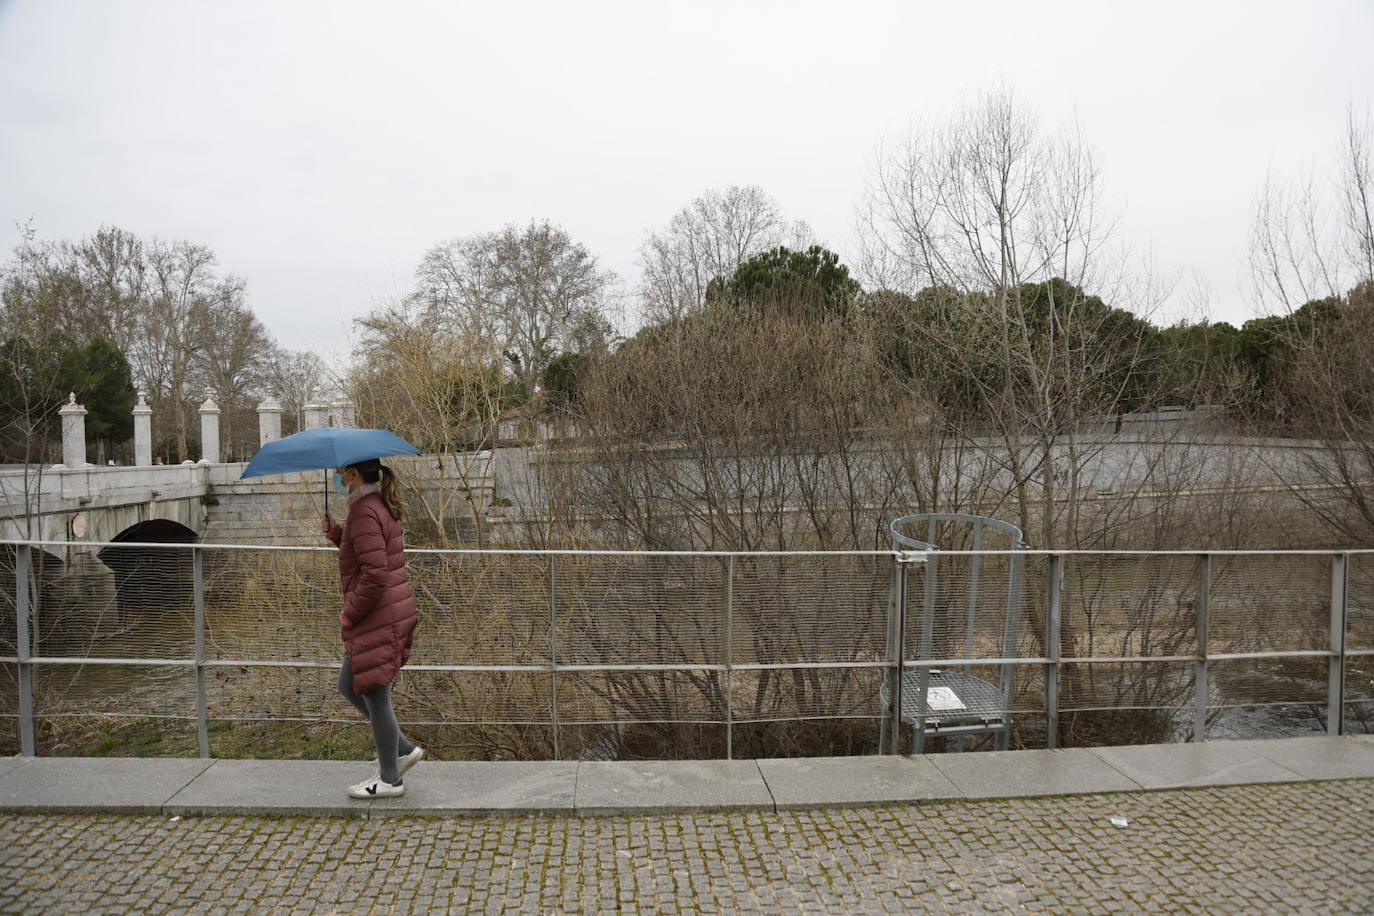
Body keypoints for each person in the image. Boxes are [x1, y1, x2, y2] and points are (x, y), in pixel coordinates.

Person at [322, 458, 422, 798]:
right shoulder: (374, 505)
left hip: (378, 615)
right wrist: (337, 533)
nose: (337, 476)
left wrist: (350, 614)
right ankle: (403, 749)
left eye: (340, 471)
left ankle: (390, 779)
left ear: (353, 474)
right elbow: (370, 554)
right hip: (390, 610)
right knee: (350, 685)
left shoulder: (364, 510)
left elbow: (376, 574)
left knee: (375, 694)